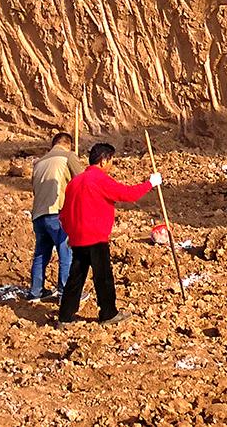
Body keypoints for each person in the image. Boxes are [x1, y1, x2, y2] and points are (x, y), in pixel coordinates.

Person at [57, 142, 160, 324]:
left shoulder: (74, 182)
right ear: (104, 160)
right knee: (103, 277)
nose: (112, 164)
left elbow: (64, 213)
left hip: (78, 238)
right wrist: (150, 184)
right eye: (111, 160)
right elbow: (127, 194)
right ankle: (108, 313)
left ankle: (65, 316)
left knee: (76, 278)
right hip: (96, 237)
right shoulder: (99, 179)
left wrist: (70, 233)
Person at [28, 132, 82, 302]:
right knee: (65, 251)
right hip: (57, 212)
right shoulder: (68, 156)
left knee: (41, 253)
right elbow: (83, 182)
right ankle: (65, 292)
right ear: (69, 144)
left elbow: (35, 190)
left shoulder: (39, 163)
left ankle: (35, 292)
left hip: (38, 214)